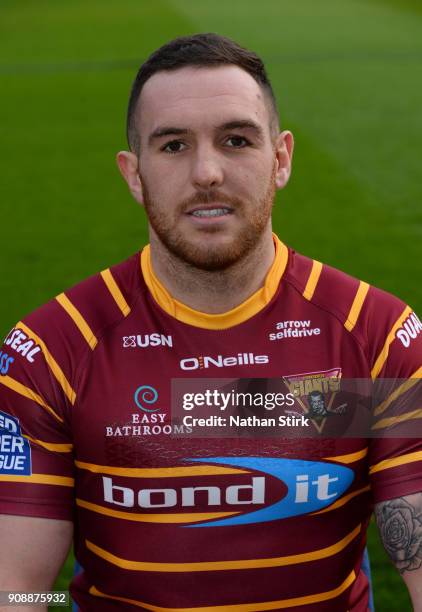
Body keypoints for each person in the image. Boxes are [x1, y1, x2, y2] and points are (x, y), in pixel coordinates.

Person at [0, 33, 421, 612]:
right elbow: (15, 589)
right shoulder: (50, 349)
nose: (206, 172)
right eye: (173, 146)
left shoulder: (374, 335)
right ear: (133, 173)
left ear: (281, 159)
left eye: (236, 140)